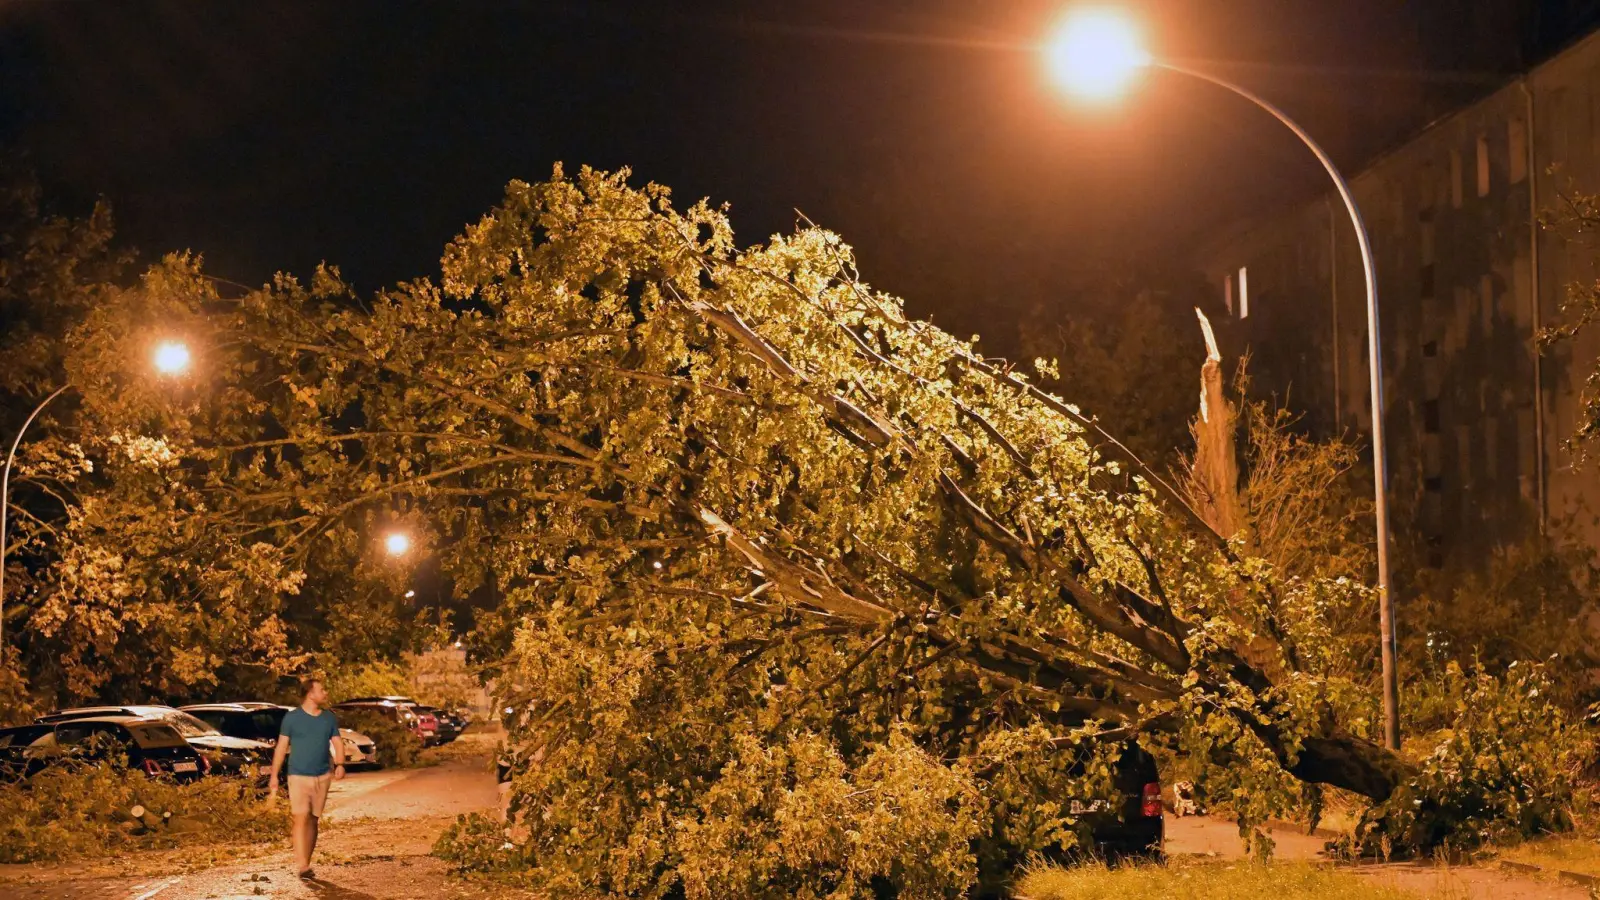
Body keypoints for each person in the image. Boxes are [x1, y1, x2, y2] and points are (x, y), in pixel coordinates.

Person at [267, 677, 346, 879]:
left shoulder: (328, 718)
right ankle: (302, 865)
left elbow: (337, 743)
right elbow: (281, 747)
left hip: (322, 775)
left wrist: (340, 764)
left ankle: (306, 863)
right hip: (297, 775)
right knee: (300, 817)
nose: (325, 693)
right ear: (310, 693)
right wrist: (274, 775)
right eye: (322, 689)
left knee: (313, 819)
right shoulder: (292, 718)